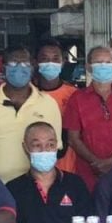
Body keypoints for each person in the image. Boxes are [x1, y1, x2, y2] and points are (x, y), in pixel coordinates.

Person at [0, 45, 63, 184]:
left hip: (37, 186)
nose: (20, 68)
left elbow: (55, 147)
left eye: (25, 64)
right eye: (13, 63)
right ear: (3, 69)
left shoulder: (48, 104)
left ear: (32, 68)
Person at [64, 45, 112, 191]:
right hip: (87, 175)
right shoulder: (77, 98)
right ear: (88, 67)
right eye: (98, 62)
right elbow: (73, 139)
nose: (104, 66)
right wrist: (96, 163)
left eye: (108, 62)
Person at [34, 39, 78, 174]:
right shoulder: (28, 93)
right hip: (33, 164)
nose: (50, 63)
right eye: (45, 59)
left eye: (55, 59)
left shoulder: (74, 94)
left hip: (66, 167)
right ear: (36, 62)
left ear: (63, 62)